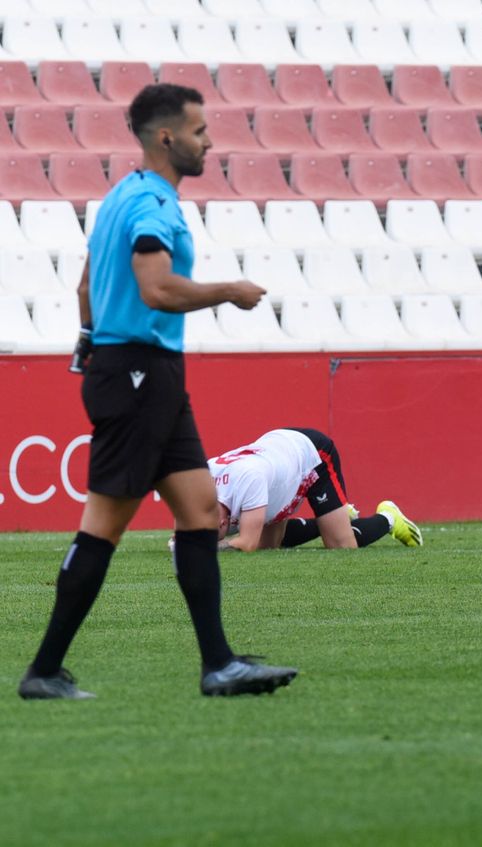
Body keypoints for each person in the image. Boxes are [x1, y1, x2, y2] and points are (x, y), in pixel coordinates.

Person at [18, 84, 296, 700]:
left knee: (199, 512)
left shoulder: (120, 197)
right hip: (140, 372)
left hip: (141, 371)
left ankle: (219, 664)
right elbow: (157, 289)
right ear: (167, 137)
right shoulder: (155, 207)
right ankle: (42, 671)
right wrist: (229, 290)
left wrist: (89, 341)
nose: (209, 140)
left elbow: (88, 283)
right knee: (102, 527)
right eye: (200, 131)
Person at [209, 427, 422, 552]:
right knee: (268, 548)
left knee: (341, 546)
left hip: (312, 454)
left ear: (221, 522)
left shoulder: (249, 478)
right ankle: (335, 518)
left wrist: (204, 549)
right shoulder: (201, 481)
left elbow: (247, 543)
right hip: (277, 464)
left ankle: (389, 518)